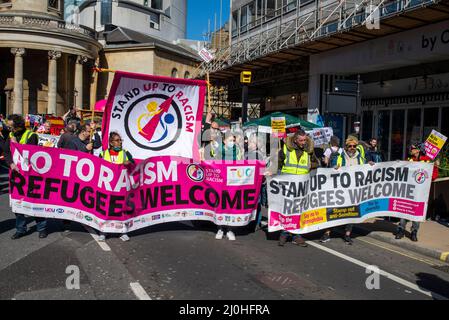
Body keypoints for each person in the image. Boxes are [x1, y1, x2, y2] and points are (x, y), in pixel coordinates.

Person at [320, 136, 372, 245]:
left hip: (353, 190)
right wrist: (334, 168)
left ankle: (347, 235)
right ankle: (327, 233)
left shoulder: (361, 159)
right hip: (340, 190)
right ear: (346, 147)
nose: (352, 148)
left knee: (352, 212)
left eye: (354, 146)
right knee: (334, 211)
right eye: (350, 146)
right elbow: (331, 169)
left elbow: (366, 170)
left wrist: (370, 165)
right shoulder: (339, 157)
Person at [4, 115, 48, 239]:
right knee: (18, 203)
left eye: (11, 126)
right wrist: (11, 164)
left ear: (18, 126)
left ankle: (42, 228)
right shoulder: (11, 135)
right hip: (16, 174)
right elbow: (6, 152)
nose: (9, 128)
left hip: (31, 175)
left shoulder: (31, 135)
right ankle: (20, 229)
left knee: (35, 200)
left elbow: (29, 155)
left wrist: (16, 144)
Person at [278, 130, 320, 247]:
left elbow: (316, 163)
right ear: (295, 140)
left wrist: (311, 166)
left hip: (302, 186)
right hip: (288, 184)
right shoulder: (286, 149)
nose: (303, 142)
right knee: (287, 209)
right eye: (301, 140)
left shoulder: (309, 151)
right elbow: (277, 163)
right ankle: (284, 233)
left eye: (305, 140)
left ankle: (296, 235)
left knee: (299, 210)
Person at [395, 143, 439, 242]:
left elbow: (434, 176)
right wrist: (398, 164)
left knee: (416, 212)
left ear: (418, 150)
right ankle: (401, 230)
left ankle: (414, 232)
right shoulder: (409, 160)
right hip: (408, 192)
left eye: (413, 148)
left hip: (419, 194)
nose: (410, 149)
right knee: (404, 211)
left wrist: (435, 167)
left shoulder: (427, 160)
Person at [99, 132, 135, 242]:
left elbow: (134, 165)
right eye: (117, 140)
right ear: (110, 142)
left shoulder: (125, 153)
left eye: (120, 140)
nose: (119, 142)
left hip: (121, 187)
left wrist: (129, 163)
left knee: (122, 209)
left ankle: (123, 231)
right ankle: (103, 232)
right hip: (107, 187)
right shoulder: (103, 154)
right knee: (105, 209)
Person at [215, 132, 243, 241]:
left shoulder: (238, 150)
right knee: (220, 204)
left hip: (233, 181)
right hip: (221, 181)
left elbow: (241, 163)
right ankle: (220, 229)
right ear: (224, 141)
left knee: (231, 204)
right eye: (230, 140)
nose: (233, 142)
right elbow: (213, 164)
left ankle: (230, 229)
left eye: (233, 140)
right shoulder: (218, 150)